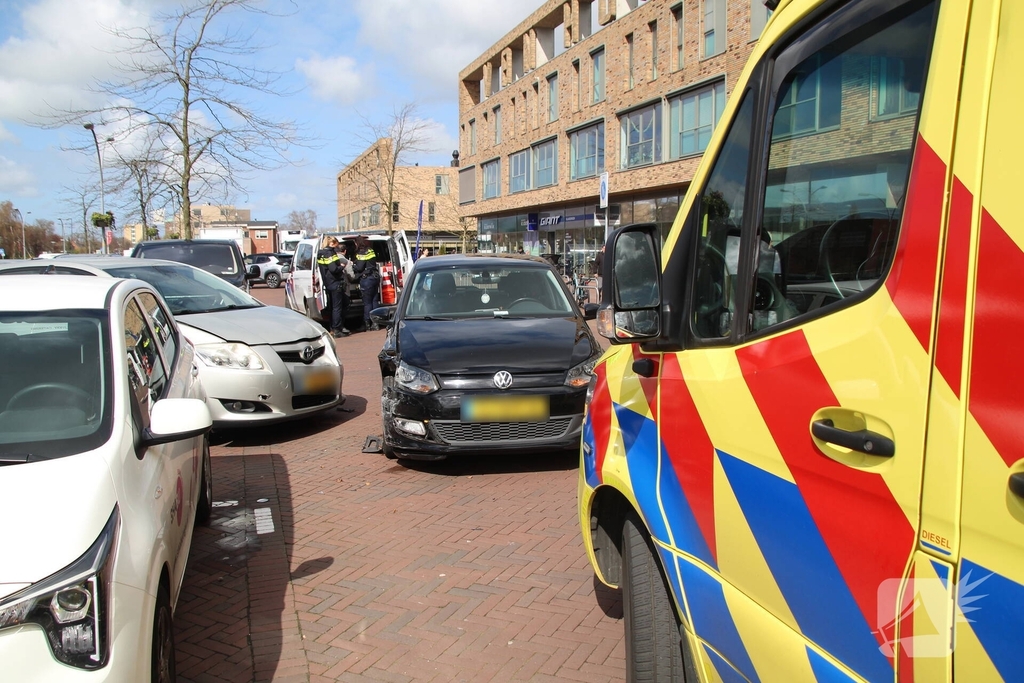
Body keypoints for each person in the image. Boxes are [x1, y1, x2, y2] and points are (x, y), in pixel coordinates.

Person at [316, 237, 350, 337]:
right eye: (336, 244)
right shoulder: (330, 253)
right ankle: (337, 329)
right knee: (337, 307)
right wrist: (342, 266)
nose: (337, 246)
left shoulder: (320, 253)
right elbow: (333, 269)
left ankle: (334, 328)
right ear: (332, 243)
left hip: (328, 283)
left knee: (334, 307)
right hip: (335, 282)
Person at [351, 236, 381, 331]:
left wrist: (353, 266)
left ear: (357, 243)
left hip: (367, 279)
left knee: (367, 303)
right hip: (375, 277)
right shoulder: (370, 250)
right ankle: (376, 324)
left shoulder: (361, 253)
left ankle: (367, 324)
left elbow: (359, 268)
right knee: (374, 301)